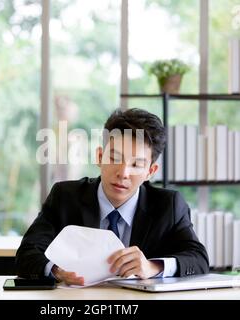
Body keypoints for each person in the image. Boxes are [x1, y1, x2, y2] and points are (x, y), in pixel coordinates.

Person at [15, 108, 209, 286]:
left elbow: (198, 259)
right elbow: (27, 253)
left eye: (136, 164)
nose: (123, 173)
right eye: (115, 158)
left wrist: (153, 267)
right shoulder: (65, 197)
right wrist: (57, 272)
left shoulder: (169, 205)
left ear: (150, 171)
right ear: (100, 157)